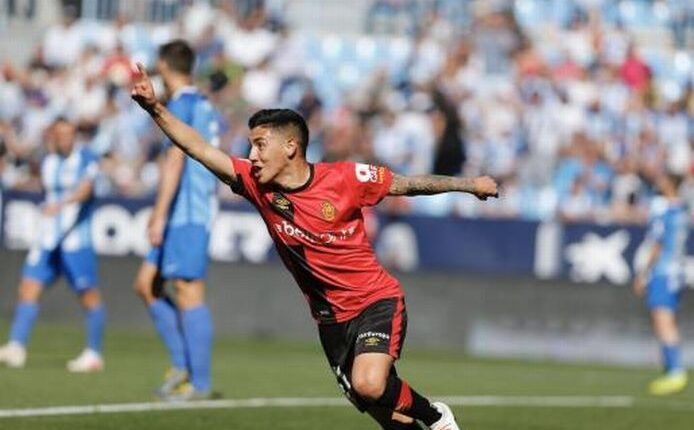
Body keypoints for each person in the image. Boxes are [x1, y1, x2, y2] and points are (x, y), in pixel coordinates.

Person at [131, 62, 498, 429]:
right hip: (330, 322)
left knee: (369, 384)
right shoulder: (256, 185)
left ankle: (436, 416)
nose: (253, 155)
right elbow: (197, 147)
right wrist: (154, 108)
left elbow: (408, 184)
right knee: (390, 418)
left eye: (260, 145)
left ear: (291, 146)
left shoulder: (345, 178)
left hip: (374, 300)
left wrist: (469, 185)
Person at [132, 41, 219, 401]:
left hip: (187, 212)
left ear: (165, 66)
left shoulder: (181, 104)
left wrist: (158, 214)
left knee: (188, 291)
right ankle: (183, 365)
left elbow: (175, 162)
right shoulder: (200, 102)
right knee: (146, 284)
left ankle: (198, 383)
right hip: (188, 210)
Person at [0, 117, 105, 372]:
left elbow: (86, 190)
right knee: (28, 287)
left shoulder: (86, 157)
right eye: (60, 134)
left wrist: (62, 204)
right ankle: (16, 346)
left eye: (70, 133)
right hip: (48, 238)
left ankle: (93, 354)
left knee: (88, 295)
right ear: (53, 136)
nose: (65, 138)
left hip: (75, 240)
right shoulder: (49, 160)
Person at [633, 172, 689, 395]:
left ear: (670, 185)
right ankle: (671, 368)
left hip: (664, 271)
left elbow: (657, 244)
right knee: (667, 320)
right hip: (677, 271)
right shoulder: (682, 212)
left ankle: (675, 372)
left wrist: (643, 273)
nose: (660, 182)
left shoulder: (665, 212)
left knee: (663, 320)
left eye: (663, 180)